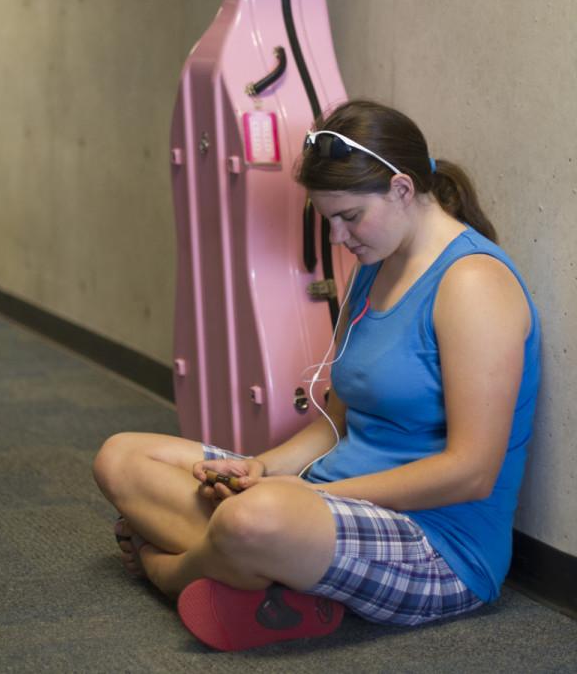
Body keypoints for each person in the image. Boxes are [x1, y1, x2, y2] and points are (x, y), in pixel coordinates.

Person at [93, 98, 540, 651]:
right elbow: (336, 424)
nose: (337, 238)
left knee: (253, 519)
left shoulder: (473, 284)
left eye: (349, 217)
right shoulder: (375, 267)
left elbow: (470, 473)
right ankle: (267, 575)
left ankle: (170, 569)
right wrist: (263, 467)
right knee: (123, 457)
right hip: (323, 504)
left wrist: (313, 500)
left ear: (403, 189)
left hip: (439, 546)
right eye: (327, 219)